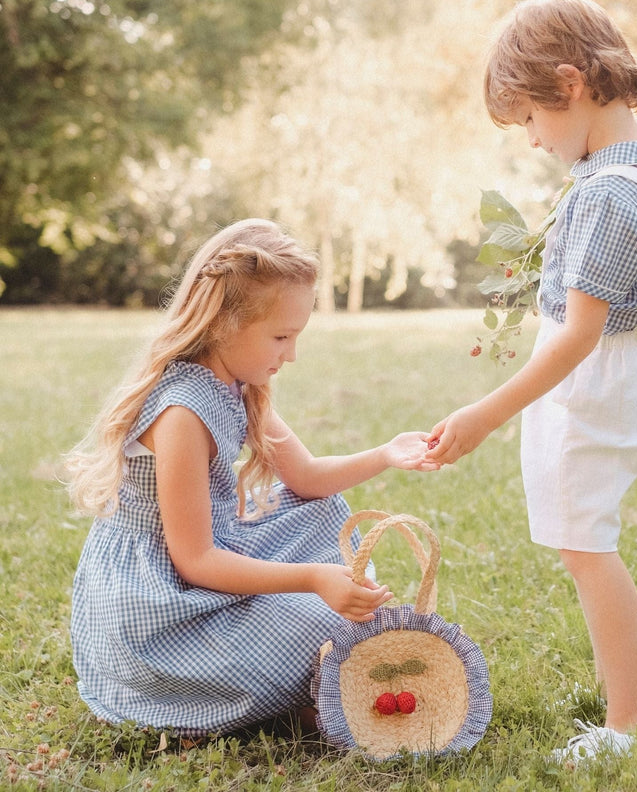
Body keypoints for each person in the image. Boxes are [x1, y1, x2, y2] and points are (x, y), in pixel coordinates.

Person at [426, 0, 637, 765]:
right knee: (585, 533)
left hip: (595, 374)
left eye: (532, 122)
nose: (535, 143)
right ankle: (628, 715)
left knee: (584, 542)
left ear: (571, 84)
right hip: (630, 357)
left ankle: (630, 724)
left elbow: (578, 335)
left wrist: (485, 412)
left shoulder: (608, 194)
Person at [66, 218, 439, 737]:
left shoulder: (237, 385)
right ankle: (297, 674)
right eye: (281, 337)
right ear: (222, 324)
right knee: (327, 628)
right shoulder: (182, 414)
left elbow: (307, 478)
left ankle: (313, 659)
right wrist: (311, 579)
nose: (291, 354)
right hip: (161, 613)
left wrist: (386, 453)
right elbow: (194, 561)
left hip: (207, 565)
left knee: (323, 509)